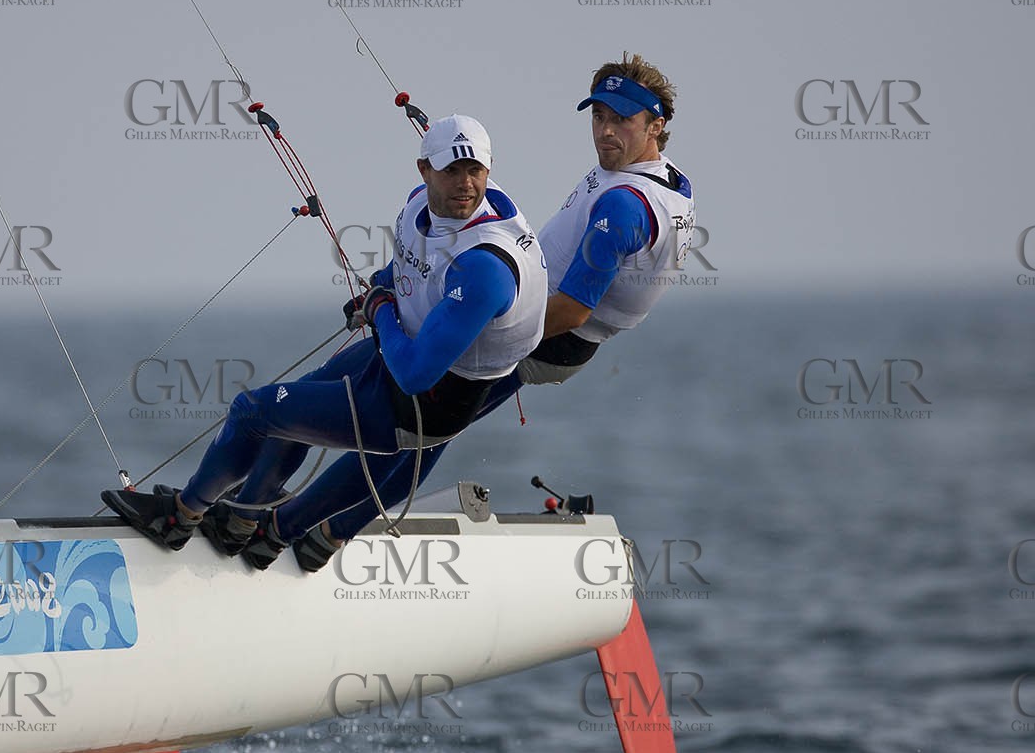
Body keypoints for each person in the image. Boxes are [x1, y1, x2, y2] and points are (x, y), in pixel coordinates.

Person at [268, 53, 698, 572]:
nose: (605, 132)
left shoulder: (624, 205)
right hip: (532, 320)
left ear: (656, 125)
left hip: (545, 333)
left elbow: (574, 311)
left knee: (416, 434)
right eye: (599, 116)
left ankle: (295, 529)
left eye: (622, 120)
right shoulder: (668, 181)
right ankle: (307, 521)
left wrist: (479, 325)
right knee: (416, 431)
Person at [102, 114, 548, 558]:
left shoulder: (485, 268)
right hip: (394, 356)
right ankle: (243, 522)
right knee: (293, 408)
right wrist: (381, 286)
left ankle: (179, 518)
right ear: (424, 170)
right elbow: (413, 262)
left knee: (251, 411)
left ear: (489, 168)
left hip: (417, 405)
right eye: (452, 170)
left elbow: (415, 374)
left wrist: (380, 308)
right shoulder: (421, 205)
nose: (466, 184)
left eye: (475, 170)